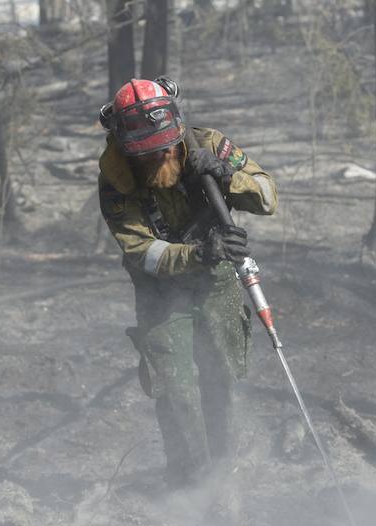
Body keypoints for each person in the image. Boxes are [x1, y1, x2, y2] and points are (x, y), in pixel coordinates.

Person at [97, 77, 278, 488]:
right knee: (176, 390)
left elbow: (268, 197)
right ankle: (189, 482)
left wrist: (227, 177)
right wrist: (198, 254)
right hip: (161, 295)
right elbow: (142, 251)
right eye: (147, 155)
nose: (159, 158)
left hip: (217, 285)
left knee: (222, 378)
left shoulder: (207, 145)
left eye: (164, 149)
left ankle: (225, 471)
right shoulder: (115, 178)